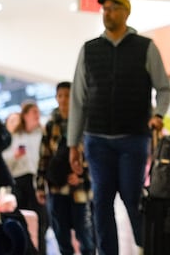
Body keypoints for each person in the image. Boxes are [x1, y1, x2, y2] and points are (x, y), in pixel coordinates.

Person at [68, 0, 170, 254]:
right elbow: (78, 99)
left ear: (127, 12)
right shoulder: (89, 49)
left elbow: (164, 88)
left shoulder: (145, 47)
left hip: (133, 139)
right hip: (97, 138)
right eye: (104, 9)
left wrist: (158, 115)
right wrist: (73, 143)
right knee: (101, 202)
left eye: (114, 8)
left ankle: (146, 247)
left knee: (132, 199)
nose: (108, 13)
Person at [36, 81, 95, 255]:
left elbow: (94, 156)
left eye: (67, 95)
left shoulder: (86, 123)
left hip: (80, 189)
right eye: (60, 95)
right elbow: (44, 157)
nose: (63, 100)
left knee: (85, 234)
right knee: (60, 233)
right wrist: (40, 186)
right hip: (56, 187)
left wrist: (82, 175)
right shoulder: (51, 124)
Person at [3, 100, 46, 254]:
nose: (37, 115)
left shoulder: (41, 134)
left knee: (40, 221)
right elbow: (4, 163)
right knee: (19, 220)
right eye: (33, 112)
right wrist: (15, 156)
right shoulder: (10, 139)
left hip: (35, 182)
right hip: (16, 182)